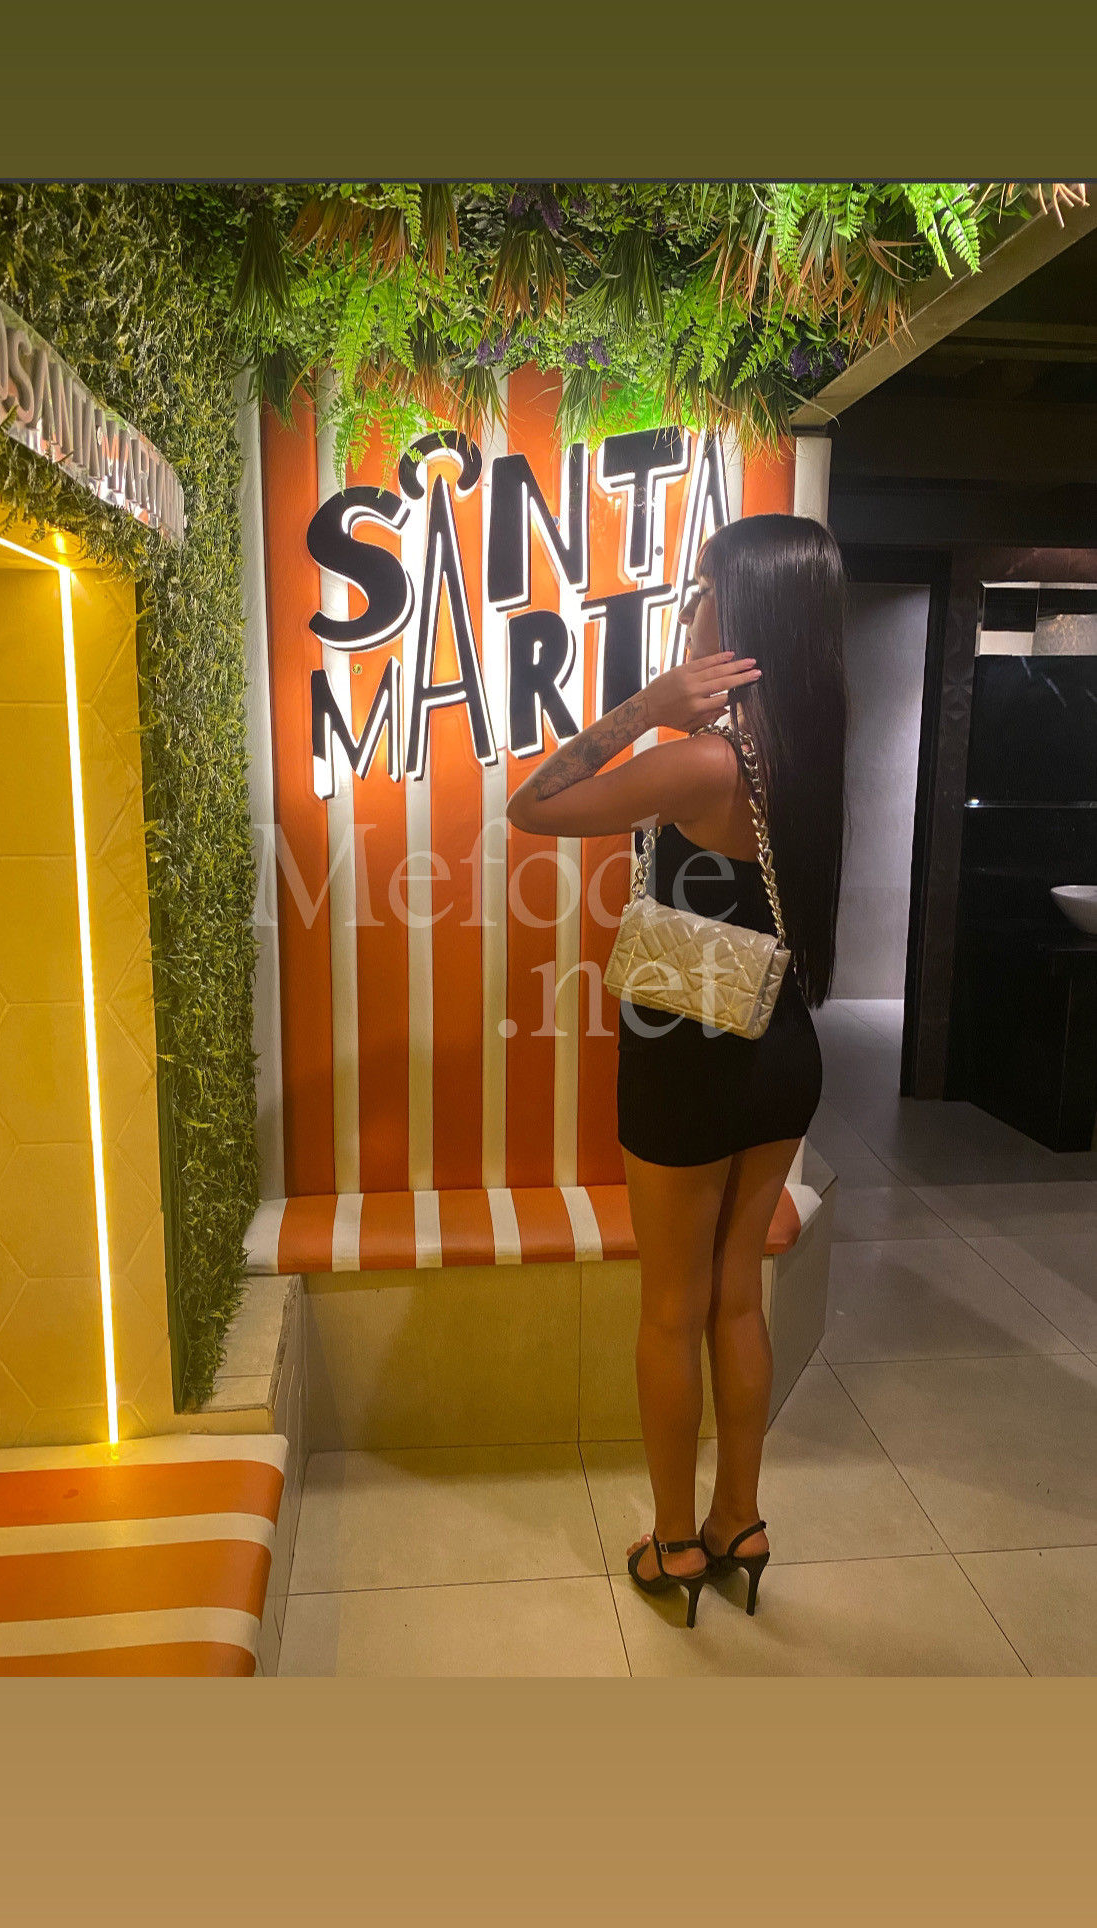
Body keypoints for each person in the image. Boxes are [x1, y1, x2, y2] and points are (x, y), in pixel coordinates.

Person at [505, 512, 848, 1627]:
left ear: (742, 616)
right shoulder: (809, 749)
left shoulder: (701, 760)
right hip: (782, 1048)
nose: (692, 604)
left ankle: (671, 1542)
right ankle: (738, 1520)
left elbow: (530, 806)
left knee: (670, 1307)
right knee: (737, 1291)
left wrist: (644, 708)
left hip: (686, 1053)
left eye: (705, 587)